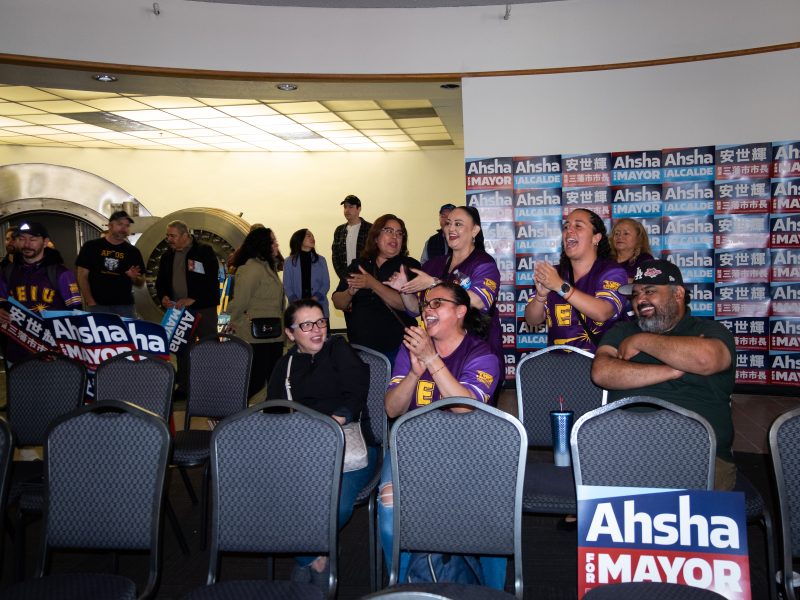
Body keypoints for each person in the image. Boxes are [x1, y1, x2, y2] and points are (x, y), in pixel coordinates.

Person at [380, 282, 505, 588]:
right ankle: (403, 586)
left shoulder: (482, 353)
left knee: (496, 510)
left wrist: (432, 360)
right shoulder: (410, 348)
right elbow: (392, 409)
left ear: (461, 311)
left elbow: (465, 408)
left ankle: (494, 591)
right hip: (411, 451)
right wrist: (413, 372)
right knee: (389, 507)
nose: (428, 309)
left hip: (468, 453)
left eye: (437, 303)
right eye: (425, 305)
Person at [591, 258, 737, 491]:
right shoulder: (621, 331)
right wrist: (672, 370)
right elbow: (602, 372)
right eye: (636, 294)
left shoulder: (708, 330)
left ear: (678, 294)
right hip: (627, 452)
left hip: (698, 454)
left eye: (650, 291)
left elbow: (706, 359)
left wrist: (642, 341)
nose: (640, 300)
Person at [267, 298, 376, 590]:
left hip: (349, 445)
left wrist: (335, 420)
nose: (317, 330)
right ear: (290, 333)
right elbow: (274, 412)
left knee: (334, 506)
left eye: (320, 322)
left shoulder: (338, 348)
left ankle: (308, 555)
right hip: (300, 451)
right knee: (277, 498)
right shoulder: (285, 365)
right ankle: (316, 555)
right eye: (306, 325)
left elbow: (356, 391)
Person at [392, 206, 503, 373]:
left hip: (474, 354)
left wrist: (433, 283)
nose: (451, 228)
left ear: (474, 230)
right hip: (437, 352)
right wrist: (404, 290)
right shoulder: (433, 264)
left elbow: (479, 301)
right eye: (448, 223)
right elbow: (416, 308)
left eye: (458, 224)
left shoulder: (484, 263)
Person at [524, 208, 627, 352]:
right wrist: (540, 296)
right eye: (566, 227)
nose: (569, 231)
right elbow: (532, 320)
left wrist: (560, 286)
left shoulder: (611, 272)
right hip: (560, 366)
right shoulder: (556, 273)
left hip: (600, 366)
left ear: (596, 238)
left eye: (578, 226)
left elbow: (603, 312)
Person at [331, 214, 420, 365]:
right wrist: (349, 293)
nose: (395, 237)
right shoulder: (359, 265)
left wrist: (371, 283)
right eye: (389, 231)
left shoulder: (409, 266)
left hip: (399, 349)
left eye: (399, 233)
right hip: (360, 349)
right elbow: (337, 301)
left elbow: (410, 307)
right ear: (376, 237)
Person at [0, 222, 82, 366]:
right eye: (21, 238)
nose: (26, 244)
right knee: (19, 388)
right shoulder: (7, 272)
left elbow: (75, 313)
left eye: (32, 239)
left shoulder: (61, 273)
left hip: (52, 351)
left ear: (45, 242)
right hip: (17, 350)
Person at [155, 220, 220, 394]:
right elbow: (160, 281)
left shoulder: (203, 251)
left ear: (185, 235)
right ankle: (185, 386)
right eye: (167, 235)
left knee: (209, 346)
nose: (169, 239)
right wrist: (164, 297)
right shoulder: (167, 255)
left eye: (172, 236)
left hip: (203, 308)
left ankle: (213, 385)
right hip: (179, 311)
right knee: (182, 349)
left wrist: (194, 299)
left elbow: (211, 280)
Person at [227, 227, 286, 399]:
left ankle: (276, 415)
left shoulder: (267, 266)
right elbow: (240, 301)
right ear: (263, 244)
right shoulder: (252, 268)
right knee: (256, 380)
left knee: (274, 378)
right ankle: (230, 411)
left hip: (272, 333)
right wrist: (234, 322)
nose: (277, 245)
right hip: (257, 334)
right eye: (273, 241)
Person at [75, 210, 145, 318]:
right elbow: (82, 275)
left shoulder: (133, 252)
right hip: (98, 306)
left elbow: (140, 282)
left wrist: (134, 278)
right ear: (110, 226)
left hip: (125, 307)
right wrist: (90, 301)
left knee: (126, 335)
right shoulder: (91, 247)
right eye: (120, 224)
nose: (123, 228)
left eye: (127, 225)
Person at [283, 228, 330, 317]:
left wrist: (315, 298)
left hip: (318, 306)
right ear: (299, 240)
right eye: (308, 235)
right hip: (296, 307)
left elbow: (326, 284)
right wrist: (296, 301)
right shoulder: (288, 262)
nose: (312, 238)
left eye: (313, 236)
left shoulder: (321, 260)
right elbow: (287, 286)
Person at [331, 194, 372, 282]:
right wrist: (343, 276)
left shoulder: (370, 229)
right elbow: (335, 256)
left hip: (366, 278)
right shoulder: (339, 230)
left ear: (359, 209)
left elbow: (375, 254)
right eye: (345, 207)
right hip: (346, 278)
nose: (347, 210)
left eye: (351, 207)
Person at [610, 217, 654, 282]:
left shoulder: (645, 260)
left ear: (638, 239)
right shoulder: (604, 258)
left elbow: (647, 285)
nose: (619, 237)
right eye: (616, 233)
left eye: (626, 233)